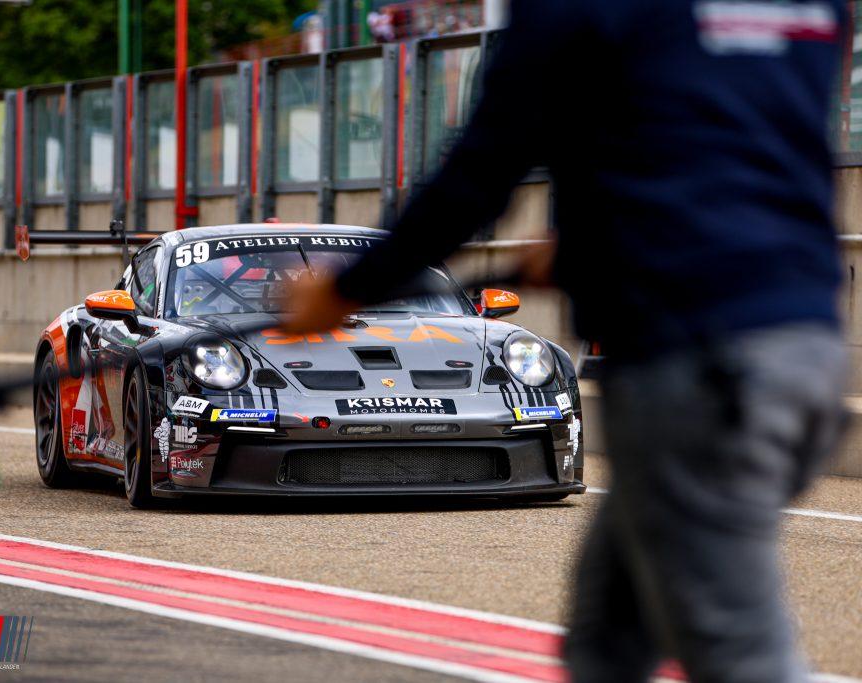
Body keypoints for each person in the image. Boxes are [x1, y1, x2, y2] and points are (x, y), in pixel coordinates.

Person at [281, 1, 847, 681]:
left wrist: (350, 289)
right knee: (608, 635)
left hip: (695, 357)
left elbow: (482, 169)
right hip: (807, 339)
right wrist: (592, 242)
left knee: (740, 655)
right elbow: (732, 137)